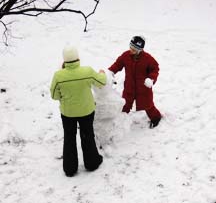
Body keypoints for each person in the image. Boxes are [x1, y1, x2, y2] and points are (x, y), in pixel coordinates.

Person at [50, 45, 106, 177]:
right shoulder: (87, 71)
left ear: (64, 60)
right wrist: (102, 73)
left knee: (69, 138)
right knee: (87, 135)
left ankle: (70, 168)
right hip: (86, 111)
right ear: (77, 58)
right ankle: (92, 162)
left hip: (68, 113)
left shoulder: (58, 75)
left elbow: (54, 95)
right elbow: (101, 82)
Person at [108, 36, 162, 128]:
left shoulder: (148, 59)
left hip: (143, 88)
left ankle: (156, 118)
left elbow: (155, 69)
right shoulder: (126, 56)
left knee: (148, 105)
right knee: (125, 105)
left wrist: (151, 79)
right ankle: (121, 120)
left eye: (134, 49)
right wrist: (111, 71)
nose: (131, 50)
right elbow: (117, 64)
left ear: (139, 50)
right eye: (130, 47)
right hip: (129, 87)